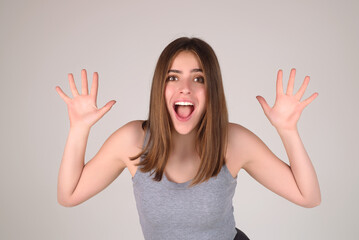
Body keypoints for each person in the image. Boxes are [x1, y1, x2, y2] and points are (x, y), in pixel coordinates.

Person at [55, 37, 321, 240]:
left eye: (199, 78)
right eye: (173, 77)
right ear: (161, 87)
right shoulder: (133, 140)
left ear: (211, 90)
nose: (185, 88)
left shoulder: (233, 141)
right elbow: (69, 195)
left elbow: (308, 196)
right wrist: (78, 128)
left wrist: (288, 131)